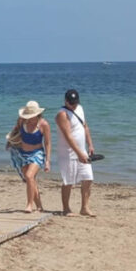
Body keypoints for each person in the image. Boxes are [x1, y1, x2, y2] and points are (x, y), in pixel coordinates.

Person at [55, 89, 95, 217]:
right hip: (68, 152)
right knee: (69, 181)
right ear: (65, 101)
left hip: (81, 150)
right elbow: (68, 136)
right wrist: (79, 153)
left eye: (75, 103)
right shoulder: (62, 114)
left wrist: (90, 144)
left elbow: (85, 126)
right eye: (71, 103)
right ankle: (66, 208)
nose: (74, 105)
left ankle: (85, 207)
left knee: (88, 178)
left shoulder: (80, 109)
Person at [7, 100, 51, 213]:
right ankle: (40, 206)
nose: (29, 118)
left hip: (37, 153)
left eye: (31, 116)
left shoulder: (44, 124)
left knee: (29, 176)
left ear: (37, 114)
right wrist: (9, 142)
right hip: (21, 153)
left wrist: (47, 161)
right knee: (30, 180)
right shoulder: (22, 121)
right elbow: (15, 131)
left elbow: (47, 143)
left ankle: (29, 205)